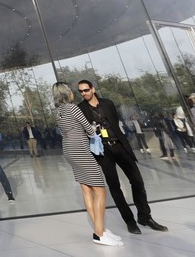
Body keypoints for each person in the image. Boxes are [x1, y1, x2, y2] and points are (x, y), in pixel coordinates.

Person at [76, 80, 167, 235]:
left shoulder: (108, 104)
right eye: (81, 91)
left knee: (137, 181)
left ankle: (145, 217)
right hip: (103, 152)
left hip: (120, 146)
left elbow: (115, 124)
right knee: (115, 188)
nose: (84, 93)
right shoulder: (81, 109)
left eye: (86, 90)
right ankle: (130, 221)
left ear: (93, 89)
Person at [52, 83, 122, 247]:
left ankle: (102, 230)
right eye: (70, 90)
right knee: (100, 189)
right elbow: (89, 130)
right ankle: (99, 233)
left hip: (69, 150)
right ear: (66, 93)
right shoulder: (73, 108)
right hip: (81, 150)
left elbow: (65, 131)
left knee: (86, 188)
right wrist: (93, 129)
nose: (73, 93)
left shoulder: (58, 112)